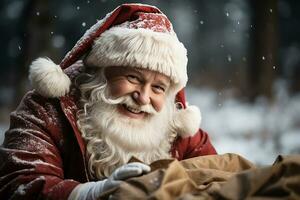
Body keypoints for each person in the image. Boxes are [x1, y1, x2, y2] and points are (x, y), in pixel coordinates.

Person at [0, 3, 216, 200]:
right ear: (101, 74)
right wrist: (89, 194)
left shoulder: (177, 128)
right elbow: (19, 184)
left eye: (158, 88)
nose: (142, 98)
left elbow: (217, 178)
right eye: (133, 78)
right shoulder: (46, 110)